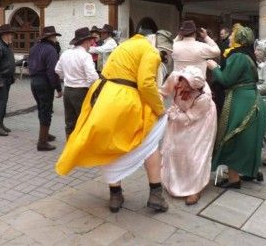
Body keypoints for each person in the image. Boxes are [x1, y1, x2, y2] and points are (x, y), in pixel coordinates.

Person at [56, 31, 168, 213]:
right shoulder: (150, 51)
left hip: (104, 97)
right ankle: (156, 194)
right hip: (127, 100)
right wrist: (159, 108)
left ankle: (115, 195)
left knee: (110, 144)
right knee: (149, 143)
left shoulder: (124, 46)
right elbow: (146, 84)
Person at [207, 24, 266, 188]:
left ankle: (234, 179)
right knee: (247, 140)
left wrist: (214, 68)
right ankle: (249, 171)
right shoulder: (246, 54)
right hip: (251, 99)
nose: (230, 36)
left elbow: (226, 79)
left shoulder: (238, 56)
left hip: (242, 101)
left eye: (233, 34)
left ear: (239, 38)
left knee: (232, 138)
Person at [159, 66, 217, 205]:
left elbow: (189, 117)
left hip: (200, 121)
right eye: (183, 81)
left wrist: (170, 115)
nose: (181, 86)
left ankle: (194, 188)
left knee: (194, 153)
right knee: (174, 148)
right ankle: (174, 180)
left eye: (187, 85)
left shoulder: (204, 98)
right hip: (179, 114)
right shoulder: (175, 77)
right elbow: (162, 92)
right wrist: (158, 106)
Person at [55, 27, 99, 139]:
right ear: (85, 41)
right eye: (90, 41)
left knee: (70, 122)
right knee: (83, 121)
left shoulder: (66, 53)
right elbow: (93, 77)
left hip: (68, 90)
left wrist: (69, 77)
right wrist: (89, 86)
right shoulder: (85, 56)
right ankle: (81, 151)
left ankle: (69, 149)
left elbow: (57, 70)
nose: (91, 43)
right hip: (81, 91)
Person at [28, 26, 63, 151]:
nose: (55, 39)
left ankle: (45, 134)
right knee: (46, 110)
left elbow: (29, 65)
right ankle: (42, 142)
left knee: (42, 109)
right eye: (54, 36)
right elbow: (52, 72)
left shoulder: (34, 48)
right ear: (51, 37)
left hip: (33, 82)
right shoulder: (51, 50)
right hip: (44, 83)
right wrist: (58, 88)